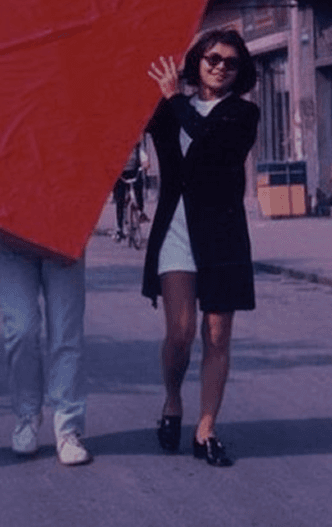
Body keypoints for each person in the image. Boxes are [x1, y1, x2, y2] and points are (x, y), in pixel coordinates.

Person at [144, 29, 259, 467]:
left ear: (239, 71)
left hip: (223, 235)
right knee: (181, 330)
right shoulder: (169, 108)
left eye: (231, 62)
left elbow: (209, 141)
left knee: (217, 335)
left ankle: (205, 428)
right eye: (213, 58)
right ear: (198, 60)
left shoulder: (243, 114)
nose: (220, 67)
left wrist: (173, 98)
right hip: (176, 230)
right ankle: (173, 400)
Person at [0, 238, 91, 465]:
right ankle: (27, 415)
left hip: (64, 230)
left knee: (65, 333)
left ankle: (68, 427)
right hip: (13, 233)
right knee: (20, 331)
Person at [113, 140, 149, 241]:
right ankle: (119, 228)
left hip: (134, 172)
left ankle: (141, 212)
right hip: (120, 174)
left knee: (139, 190)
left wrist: (145, 163)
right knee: (120, 200)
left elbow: (143, 155)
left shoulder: (136, 145)